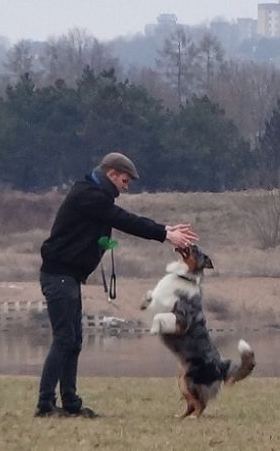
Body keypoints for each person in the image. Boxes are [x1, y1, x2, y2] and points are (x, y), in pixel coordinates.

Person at [35, 152, 198, 418]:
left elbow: (115, 219)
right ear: (111, 174)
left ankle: (71, 403)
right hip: (59, 277)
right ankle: (44, 405)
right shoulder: (89, 195)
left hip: (69, 278)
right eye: (125, 180)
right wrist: (165, 234)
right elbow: (124, 220)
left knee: (74, 341)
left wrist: (165, 228)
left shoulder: (95, 196)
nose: (126, 186)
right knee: (64, 339)